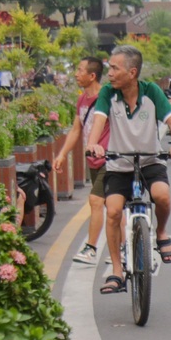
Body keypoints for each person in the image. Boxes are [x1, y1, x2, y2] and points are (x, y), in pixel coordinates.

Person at [84, 45, 171, 294]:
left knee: (162, 195)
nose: (109, 74)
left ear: (132, 72)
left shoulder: (151, 91)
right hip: (118, 163)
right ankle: (117, 271)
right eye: (109, 68)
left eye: (114, 68)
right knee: (113, 211)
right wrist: (93, 144)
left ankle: (161, 232)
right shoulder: (108, 93)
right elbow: (99, 120)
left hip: (150, 160)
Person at [52, 55, 110, 267]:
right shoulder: (82, 100)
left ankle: (91, 248)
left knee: (96, 200)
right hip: (92, 160)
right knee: (113, 206)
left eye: (80, 70)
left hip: (108, 159)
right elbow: (76, 130)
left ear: (92, 75)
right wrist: (62, 154)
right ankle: (123, 249)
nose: (76, 74)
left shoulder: (107, 97)